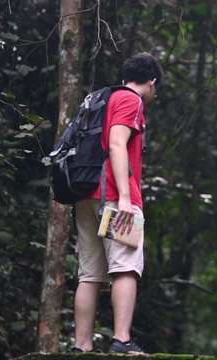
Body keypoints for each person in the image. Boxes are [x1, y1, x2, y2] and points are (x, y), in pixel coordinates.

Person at [70, 52, 163, 354]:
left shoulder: (103, 98)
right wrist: (124, 197)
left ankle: (81, 346)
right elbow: (116, 143)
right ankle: (121, 340)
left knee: (90, 274)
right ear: (152, 83)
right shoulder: (131, 100)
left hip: (86, 195)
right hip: (114, 195)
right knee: (125, 267)